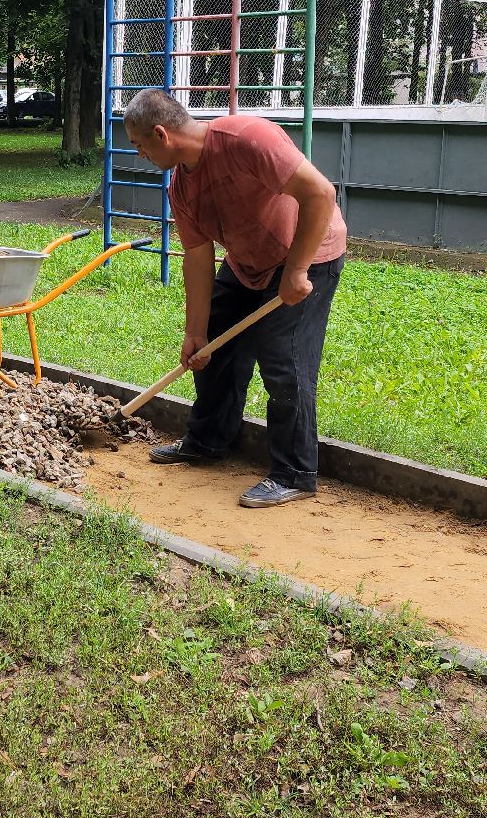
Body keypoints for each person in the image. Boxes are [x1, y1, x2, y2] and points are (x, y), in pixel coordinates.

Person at [121, 88, 348, 508]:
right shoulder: (181, 188)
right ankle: (208, 442)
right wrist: (195, 332)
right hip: (247, 261)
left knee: (284, 358)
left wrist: (297, 270)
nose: (140, 156)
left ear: (160, 134)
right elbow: (197, 255)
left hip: (308, 252)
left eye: (139, 146)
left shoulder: (247, 139)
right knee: (212, 349)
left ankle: (295, 472)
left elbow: (320, 193)